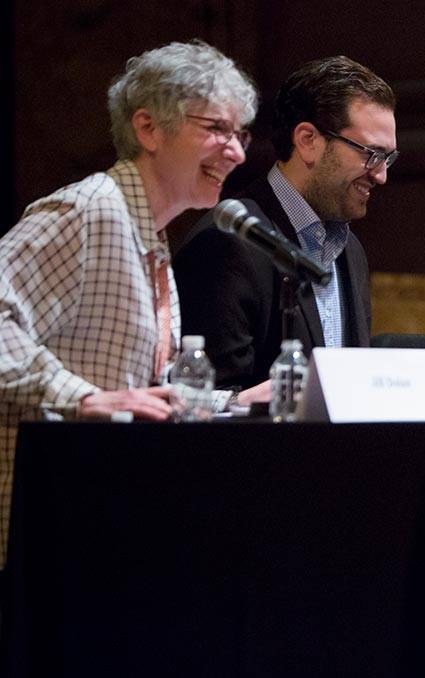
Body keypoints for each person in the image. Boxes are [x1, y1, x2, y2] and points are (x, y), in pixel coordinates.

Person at [0, 41, 257, 563]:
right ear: (148, 129)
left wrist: (234, 403)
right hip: (30, 532)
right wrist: (84, 398)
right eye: (216, 129)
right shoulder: (88, 210)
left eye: (240, 133)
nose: (237, 152)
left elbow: (139, 396)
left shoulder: (152, 235)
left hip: (90, 521)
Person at [175, 56, 395, 393]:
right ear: (307, 140)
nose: (381, 175)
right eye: (371, 153)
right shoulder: (228, 242)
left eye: (388, 158)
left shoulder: (351, 250)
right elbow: (204, 401)